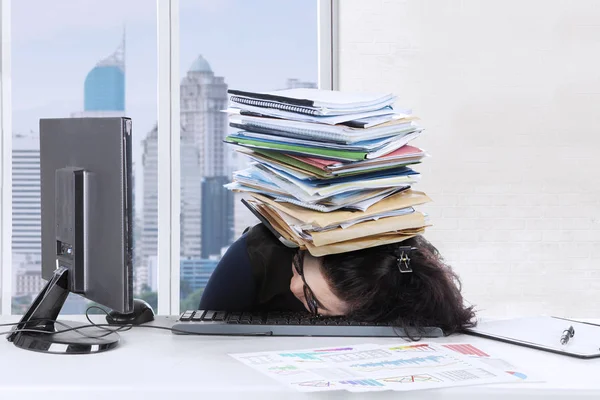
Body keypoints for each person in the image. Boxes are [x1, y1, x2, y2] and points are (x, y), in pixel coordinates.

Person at [199, 223, 476, 335]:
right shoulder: (257, 252)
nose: (294, 286)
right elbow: (202, 338)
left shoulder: (399, 273)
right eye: (298, 266)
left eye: (313, 300)